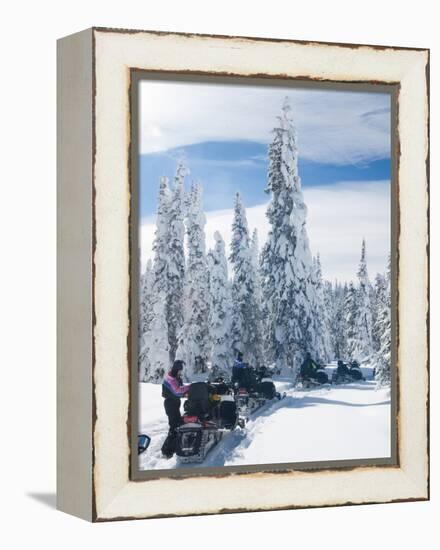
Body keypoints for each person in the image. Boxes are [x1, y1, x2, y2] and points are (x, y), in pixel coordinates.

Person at [161, 360, 190, 458]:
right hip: (170, 405)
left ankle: (173, 448)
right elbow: (177, 391)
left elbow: (180, 389)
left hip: (174, 404)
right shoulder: (171, 379)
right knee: (174, 427)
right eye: (180, 370)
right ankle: (167, 451)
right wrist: (190, 387)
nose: (181, 372)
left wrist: (188, 392)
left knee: (177, 425)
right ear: (176, 369)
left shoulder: (176, 378)